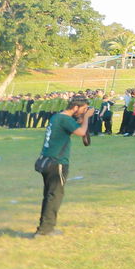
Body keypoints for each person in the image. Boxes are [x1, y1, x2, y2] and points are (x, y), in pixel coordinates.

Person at [33, 95, 93, 237]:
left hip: (47, 160)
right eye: (83, 109)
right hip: (57, 162)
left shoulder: (57, 117)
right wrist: (87, 118)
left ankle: (44, 227)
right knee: (55, 195)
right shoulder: (65, 119)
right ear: (75, 107)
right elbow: (82, 132)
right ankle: (45, 230)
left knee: (49, 195)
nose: (84, 112)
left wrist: (81, 119)